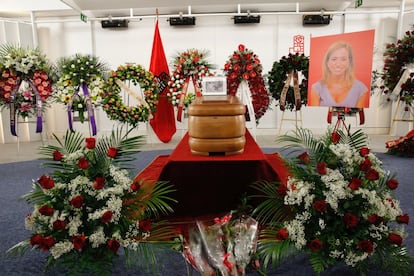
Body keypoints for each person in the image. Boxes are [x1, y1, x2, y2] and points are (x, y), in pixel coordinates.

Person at [309, 41, 368, 108]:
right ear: (327, 62)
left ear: (349, 62)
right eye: (334, 59)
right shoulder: (317, 88)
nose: (338, 64)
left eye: (343, 59)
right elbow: (315, 115)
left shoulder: (360, 89)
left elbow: (358, 117)